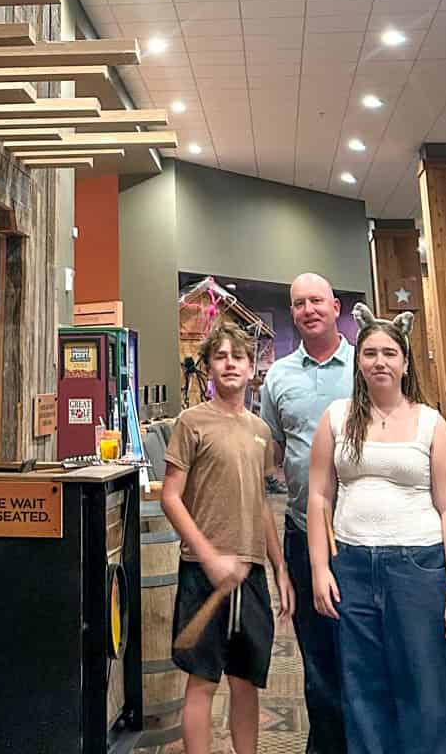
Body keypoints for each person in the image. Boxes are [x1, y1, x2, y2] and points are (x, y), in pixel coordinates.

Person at [261, 274, 446, 753]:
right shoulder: (298, 389)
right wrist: (317, 568)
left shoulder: (427, 418)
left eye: (389, 353)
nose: (379, 361)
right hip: (337, 555)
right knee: (347, 681)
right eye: (299, 303)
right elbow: (306, 484)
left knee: (424, 680)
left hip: (416, 565)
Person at [161, 320, 295, 754]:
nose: (230, 364)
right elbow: (171, 498)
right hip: (204, 573)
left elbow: (260, 504)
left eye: (238, 357)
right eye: (220, 357)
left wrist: (279, 568)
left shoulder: (259, 432)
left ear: (252, 366)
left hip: (251, 573)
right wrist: (210, 556)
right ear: (208, 367)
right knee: (202, 681)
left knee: (246, 680)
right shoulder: (191, 422)